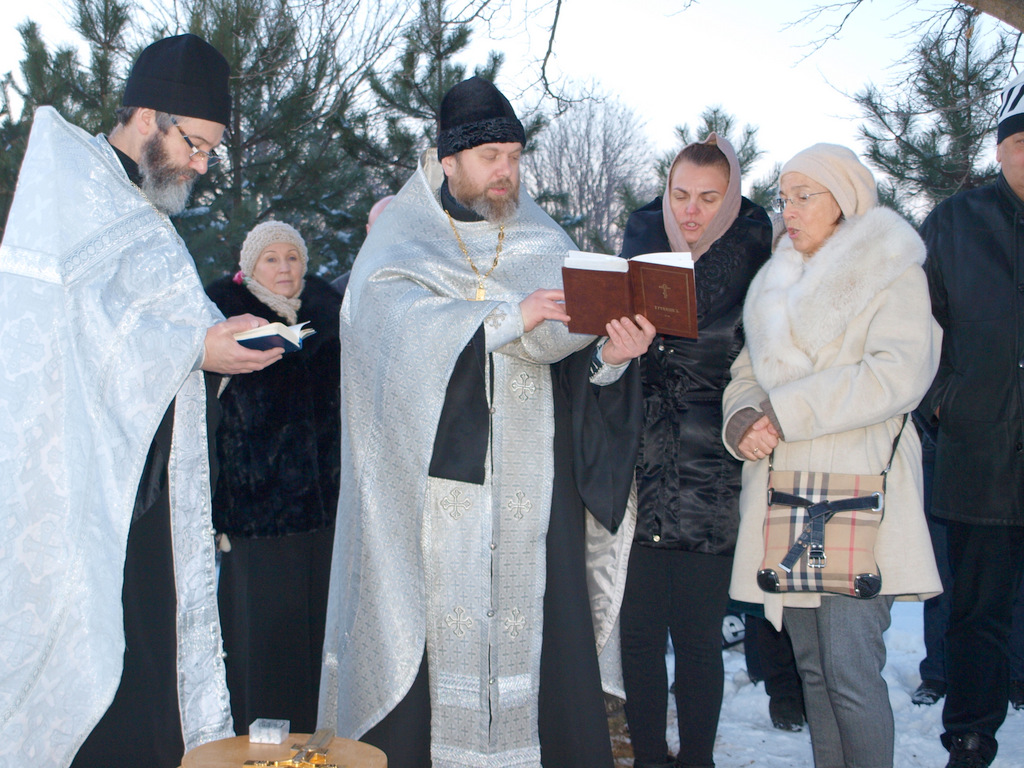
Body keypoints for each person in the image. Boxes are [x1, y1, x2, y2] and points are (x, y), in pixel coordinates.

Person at [318, 76, 655, 768]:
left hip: (535, 503)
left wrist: (612, 359)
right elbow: (381, 335)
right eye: (489, 157)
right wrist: (506, 318)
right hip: (434, 495)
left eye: (514, 157)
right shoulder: (400, 240)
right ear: (448, 162)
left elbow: (577, 370)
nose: (506, 171)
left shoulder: (545, 239)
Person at [0, 34, 282, 768]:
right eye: (197, 145)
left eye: (211, 150)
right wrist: (194, 348)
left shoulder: (142, 210)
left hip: (149, 494)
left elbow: (148, 329)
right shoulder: (73, 190)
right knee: (103, 675)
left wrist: (220, 347)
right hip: (86, 493)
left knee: (150, 670)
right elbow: (68, 333)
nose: (202, 165)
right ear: (150, 117)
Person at [722, 143, 942, 768]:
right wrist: (743, 419)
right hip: (788, 500)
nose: (788, 210)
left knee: (850, 672)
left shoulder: (893, 269)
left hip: (858, 500)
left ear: (844, 200)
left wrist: (787, 411)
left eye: (804, 196)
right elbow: (746, 374)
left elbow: (898, 374)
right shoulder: (776, 279)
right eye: (784, 197)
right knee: (814, 671)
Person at [617, 134, 772, 768]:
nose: (690, 210)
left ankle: (698, 759)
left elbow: (761, 368)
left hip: (713, 471)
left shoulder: (758, 266)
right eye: (680, 194)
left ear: (731, 200)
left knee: (699, 640)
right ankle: (650, 757)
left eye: (708, 198)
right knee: (638, 638)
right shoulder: (638, 250)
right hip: (637, 466)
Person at [919, 69, 1024, 768]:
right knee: (976, 611)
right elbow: (912, 330)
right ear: (1000, 148)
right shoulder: (955, 223)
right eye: (1021, 141)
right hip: (979, 455)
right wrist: (944, 403)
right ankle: (970, 732)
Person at [206, 221, 342, 734]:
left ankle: (318, 741)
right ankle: (258, 745)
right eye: (271, 258)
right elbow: (204, 410)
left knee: (318, 637)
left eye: (292, 257)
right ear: (249, 267)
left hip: (325, 509)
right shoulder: (222, 316)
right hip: (256, 510)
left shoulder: (330, 314)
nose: (284, 267)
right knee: (263, 642)